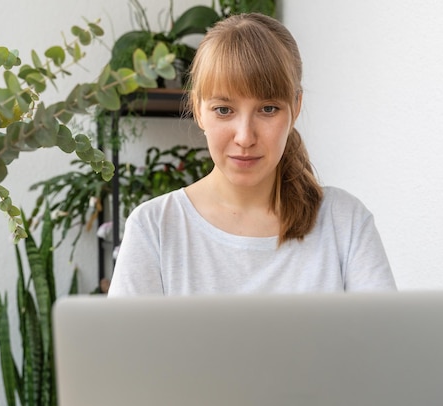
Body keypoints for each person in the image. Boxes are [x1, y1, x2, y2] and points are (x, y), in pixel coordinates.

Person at [108, 13, 396, 296]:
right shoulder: (154, 229)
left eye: (268, 109)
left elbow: (386, 341)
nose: (245, 137)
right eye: (224, 110)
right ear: (198, 109)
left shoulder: (344, 222)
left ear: (295, 108)